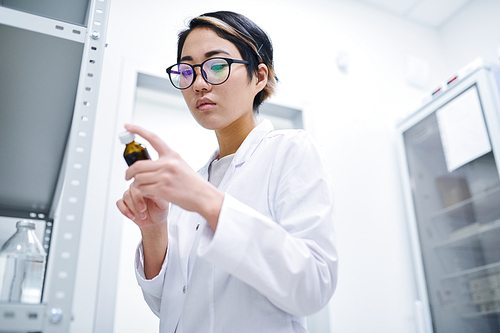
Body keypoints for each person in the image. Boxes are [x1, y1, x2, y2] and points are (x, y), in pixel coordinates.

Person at [116, 11, 338, 333]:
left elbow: (313, 285)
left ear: (259, 76)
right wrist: (153, 230)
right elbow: (166, 306)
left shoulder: (290, 150)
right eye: (187, 71)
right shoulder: (192, 181)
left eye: (216, 65)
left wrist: (206, 201)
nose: (199, 84)